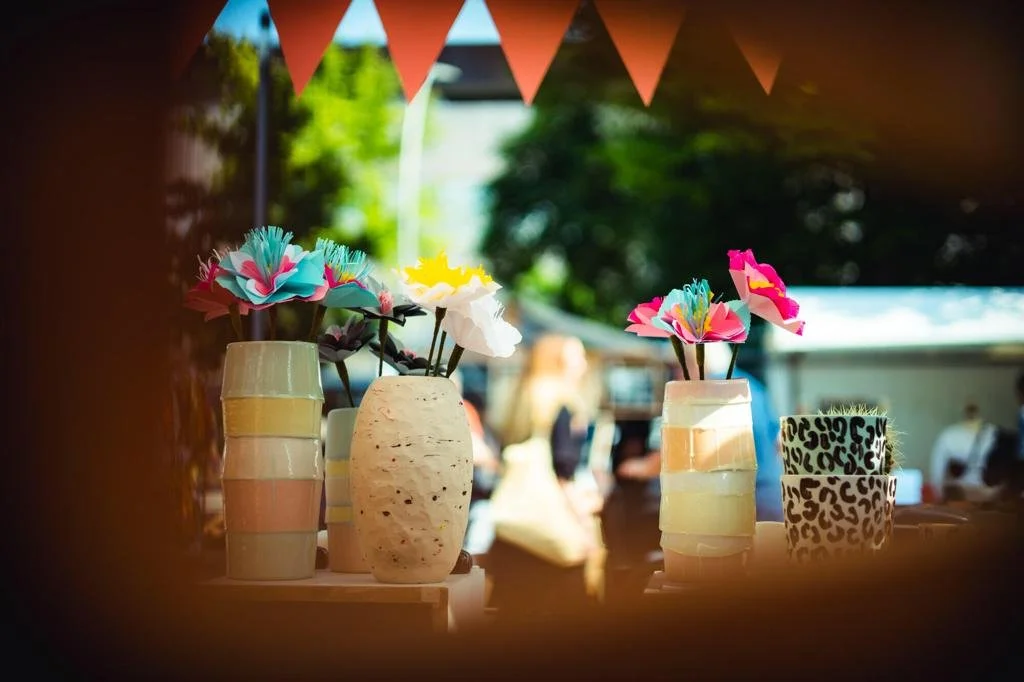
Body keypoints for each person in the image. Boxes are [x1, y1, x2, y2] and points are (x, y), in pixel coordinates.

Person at [486, 333, 603, 620]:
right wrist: (584, 525)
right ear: (559, 362)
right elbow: (563, 467)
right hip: (549, 534)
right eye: (577, 357)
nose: (583, 364)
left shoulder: (523, 397)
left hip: (517, 533)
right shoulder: (562, 404)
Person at [615, 342, 785, 521]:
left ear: (696, 362)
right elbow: (778, 442)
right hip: (772, 501)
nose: (678, 377)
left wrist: (641, 467)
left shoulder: (710, 390)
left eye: (678, 368)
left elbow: (684, 447)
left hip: (739, 508)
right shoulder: (755, 387)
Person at [929, 402, 1000, 504]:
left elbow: (937, 473)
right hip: (989, 498)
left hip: (959, 497)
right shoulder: (994, 435)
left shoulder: (949, 435)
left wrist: (941, 495)